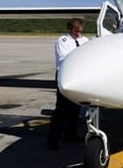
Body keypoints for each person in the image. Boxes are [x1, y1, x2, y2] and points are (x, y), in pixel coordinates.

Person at [47, 18, 89, 150]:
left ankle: (70, 135)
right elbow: (64, 57)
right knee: (61, 109)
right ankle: (53, 138)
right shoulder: (62, 41)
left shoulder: (85, 40)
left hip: (79, 75)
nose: (78, 34)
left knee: (75, 108)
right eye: (76, 31)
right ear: (70, 29)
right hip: (65, 74)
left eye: (80, 31)